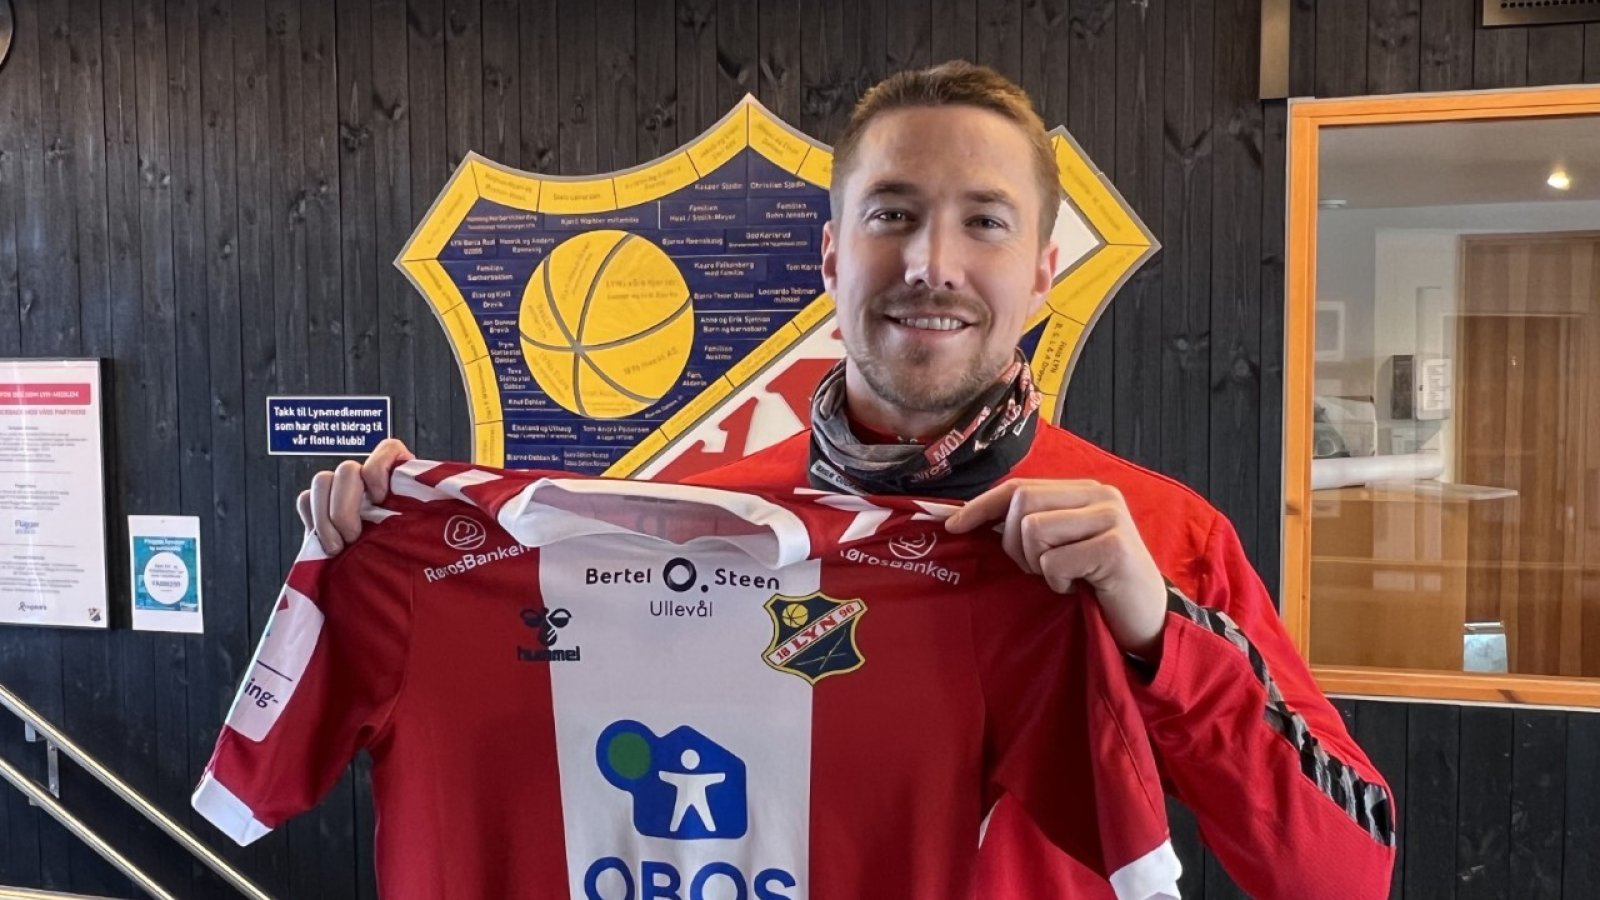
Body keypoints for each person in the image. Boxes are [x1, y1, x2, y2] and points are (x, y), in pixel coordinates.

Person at [298, 62, 1395, 899]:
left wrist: (1158, 637)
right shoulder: (705, 516)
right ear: (832, 257)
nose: (931, 264)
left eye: (985, 222)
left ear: (1042, 275)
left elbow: (1344, 874)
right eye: (892, 214)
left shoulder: (1159, 537)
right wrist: (393, 550)